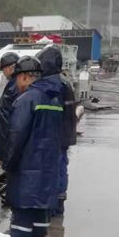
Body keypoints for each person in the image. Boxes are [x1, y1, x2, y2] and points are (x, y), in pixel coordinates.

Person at [4, 56, 63, 237]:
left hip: (28, 165)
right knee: (41, 206)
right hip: (48, 165)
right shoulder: (54, 98)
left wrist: (9, 163)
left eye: (16, 79)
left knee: (24, 207)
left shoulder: (26, 100)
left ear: (23, 77)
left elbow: (16, 134)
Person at [37, 46, 78, 216]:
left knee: (56, 167)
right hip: (65, 133)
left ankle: (54, 202)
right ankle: (59, 199)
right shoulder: (65, 83)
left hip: (56, 135)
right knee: (61, 166)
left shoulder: (55, 85)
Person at [0, 52, 20, 162]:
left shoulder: (14, 86)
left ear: (10, 68)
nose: (3, 72)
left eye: (3, 69)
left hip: (10, 142)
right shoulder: (15, 84)